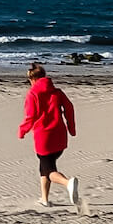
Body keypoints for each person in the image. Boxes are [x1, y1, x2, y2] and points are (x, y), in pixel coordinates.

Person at [18, 63, 79, 207]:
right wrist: (71, 128)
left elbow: (30, 116)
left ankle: (67, 183)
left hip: (43, 137)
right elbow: (69, 109)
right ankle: (44, 199)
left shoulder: (33, 94)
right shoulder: (57, 92)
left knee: (49, 169)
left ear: (32, 79)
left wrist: (22, 130)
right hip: (60, 136)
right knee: (44, 167)